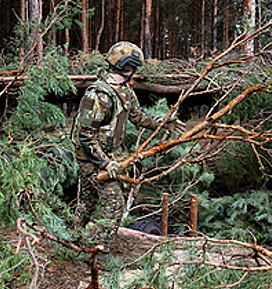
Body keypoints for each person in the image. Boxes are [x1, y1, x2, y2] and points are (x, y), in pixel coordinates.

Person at [71, 41, 186, 248]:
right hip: (92, 157)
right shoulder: (98, 94)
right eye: (133, 68)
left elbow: (137, 116)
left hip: (109, 153)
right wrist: (105, 163)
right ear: (127, 67)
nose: (134, 72)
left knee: (87, 201)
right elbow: (85, 137)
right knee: (114, 204)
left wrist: (162, 123)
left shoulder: (123, 90)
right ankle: (99, 250)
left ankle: (72, 240)